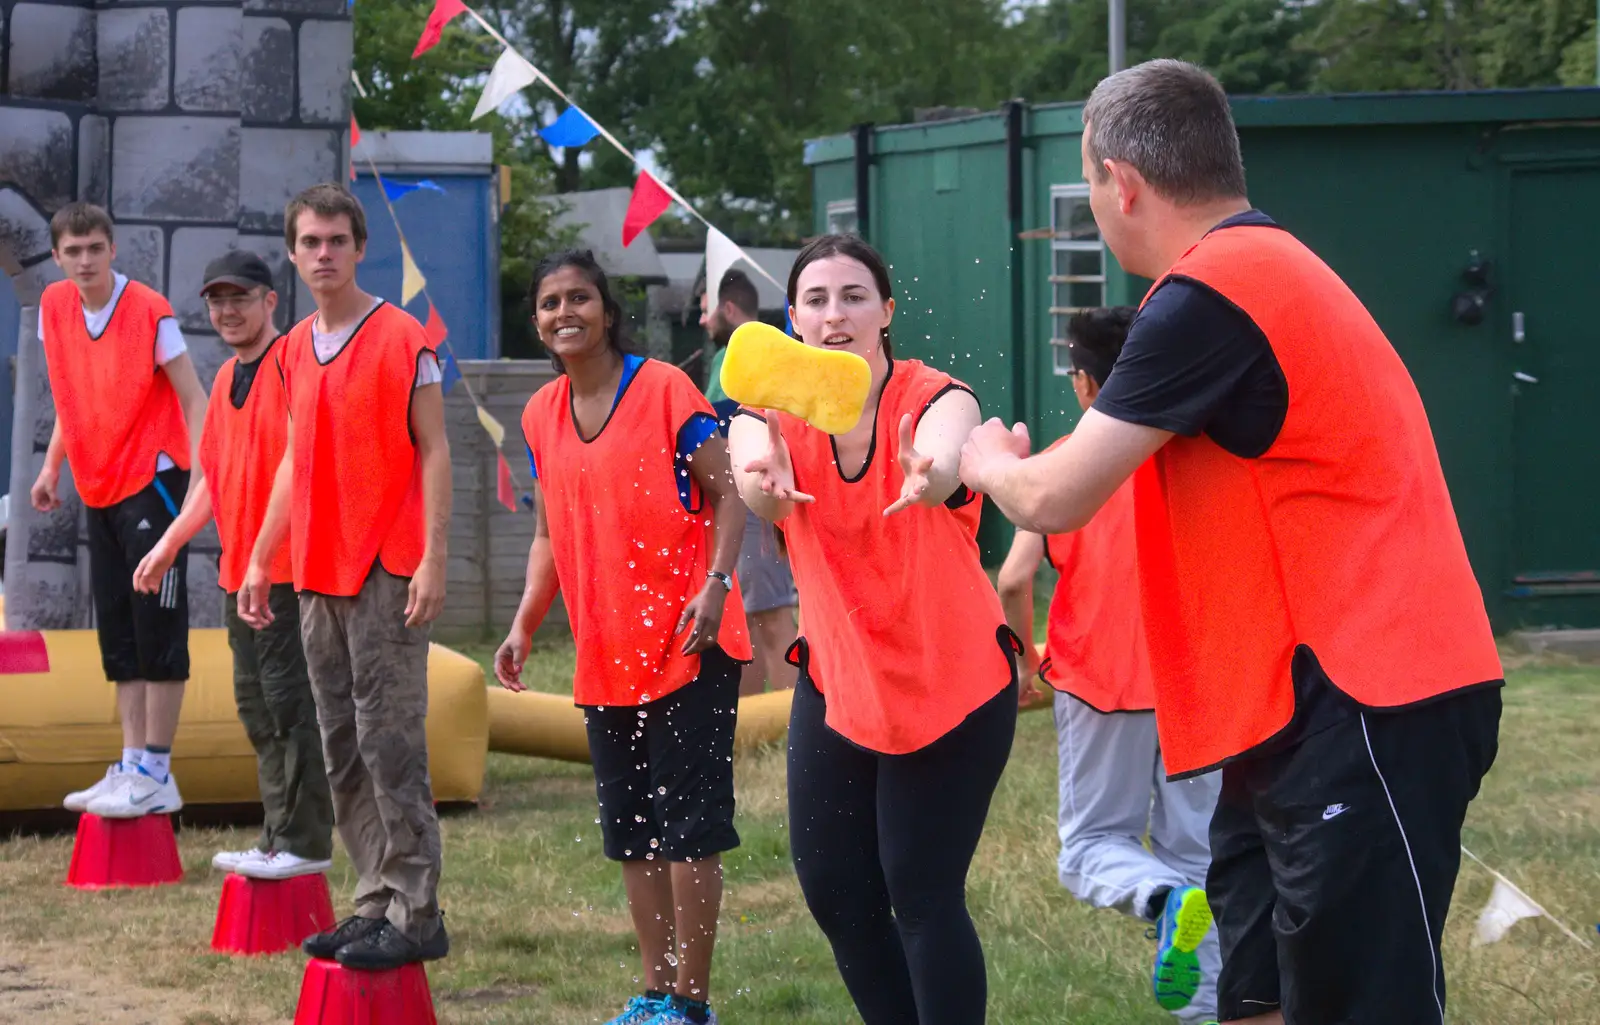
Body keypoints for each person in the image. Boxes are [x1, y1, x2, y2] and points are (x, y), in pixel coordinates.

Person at [959, 60, 1503, 1025]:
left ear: (1122, 181)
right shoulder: (1246, 274)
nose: (1095, 206)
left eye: (1090, 185)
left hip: (1368, 700)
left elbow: (1054, 494)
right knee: (1249, 993)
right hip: (1284, 712)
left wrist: (976, 454)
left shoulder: (1216, 290)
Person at [729, 234, 1021, 1025]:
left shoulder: (932, 395)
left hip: (954, 684)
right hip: (839, 685)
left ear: (886, 313)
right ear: (793, 319)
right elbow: (747, 446)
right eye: (816, 300)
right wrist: (761, 477)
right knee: (836, 893)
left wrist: (929, 470)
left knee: (920, 892)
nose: (835, 314)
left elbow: (950, 437)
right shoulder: (776, 416)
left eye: (854, 296)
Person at [495, 250, 752, 1025]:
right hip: (606, 657)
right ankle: (654, 992)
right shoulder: (540, 412)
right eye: (548, 302)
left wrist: (715, 586)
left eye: (579, 297)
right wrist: (522, 622)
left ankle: (692, 1002)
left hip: (690, 644)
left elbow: (733, 490)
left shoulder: (666, 390)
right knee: (632, 832)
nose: (563, 311)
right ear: (537, 322)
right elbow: (546, 533)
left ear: (607, 310)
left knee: (687, 826)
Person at [240, 183, 452, 971]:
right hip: (316, 573)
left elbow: (436, 449)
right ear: (292, 255)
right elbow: (297, 455)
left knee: (389, 739)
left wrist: (433, 556)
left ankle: (418, 909)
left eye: (336, 239)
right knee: (340, 744)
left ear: (360, 247)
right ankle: (374, 900)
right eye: (309, 241)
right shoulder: (292, 347)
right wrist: (264, 554)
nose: (323, 253)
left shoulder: (405, 336)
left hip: (390, 569)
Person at [996, 307, 1220, 1023]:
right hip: (1200, 685)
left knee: (1092, 845)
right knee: (1197, 849)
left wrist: (1022, 659)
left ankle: (1161, 900)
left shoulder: (1065, 464)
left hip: (1102, 683)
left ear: (1087, 385)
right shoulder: (1199, 455)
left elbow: (1013, 578)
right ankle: (1208, 1005)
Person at [134, 250, 335, 881]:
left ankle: (304, 841)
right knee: (255, 710)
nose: (226, 311)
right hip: (237, 576)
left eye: (239, 298)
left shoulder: (291, 364)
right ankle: (276, 836)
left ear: (270, 301)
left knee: (291, 708)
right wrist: (169, 543)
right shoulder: (224, 380)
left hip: (287, 574)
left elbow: (299, 467)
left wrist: (263, 558)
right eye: (216, 301)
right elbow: (210, 478)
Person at [37, 202, 208, 820]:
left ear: (113, 250)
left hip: (156, 478)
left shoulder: (150, 311)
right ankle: (132, 761)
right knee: (116, 625)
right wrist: (52, 465)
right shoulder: (54, 309)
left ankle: (159, 768)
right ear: (57, 258)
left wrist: (202, 484)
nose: (85, 260)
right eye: (73, 251)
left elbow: (196, 399)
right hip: (98, 481)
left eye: (94, 249)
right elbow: (71, 394)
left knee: (155, 621)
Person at [699, 269, 799, 695]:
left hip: (756, 495)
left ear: (728, 308)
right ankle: (754, 722)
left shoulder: (739, 358)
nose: (702, 321)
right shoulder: (745, 354)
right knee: (749, 616)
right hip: (748, 499)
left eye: (706, 310)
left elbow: (720, 432)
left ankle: (794, 719)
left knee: (771, 614)